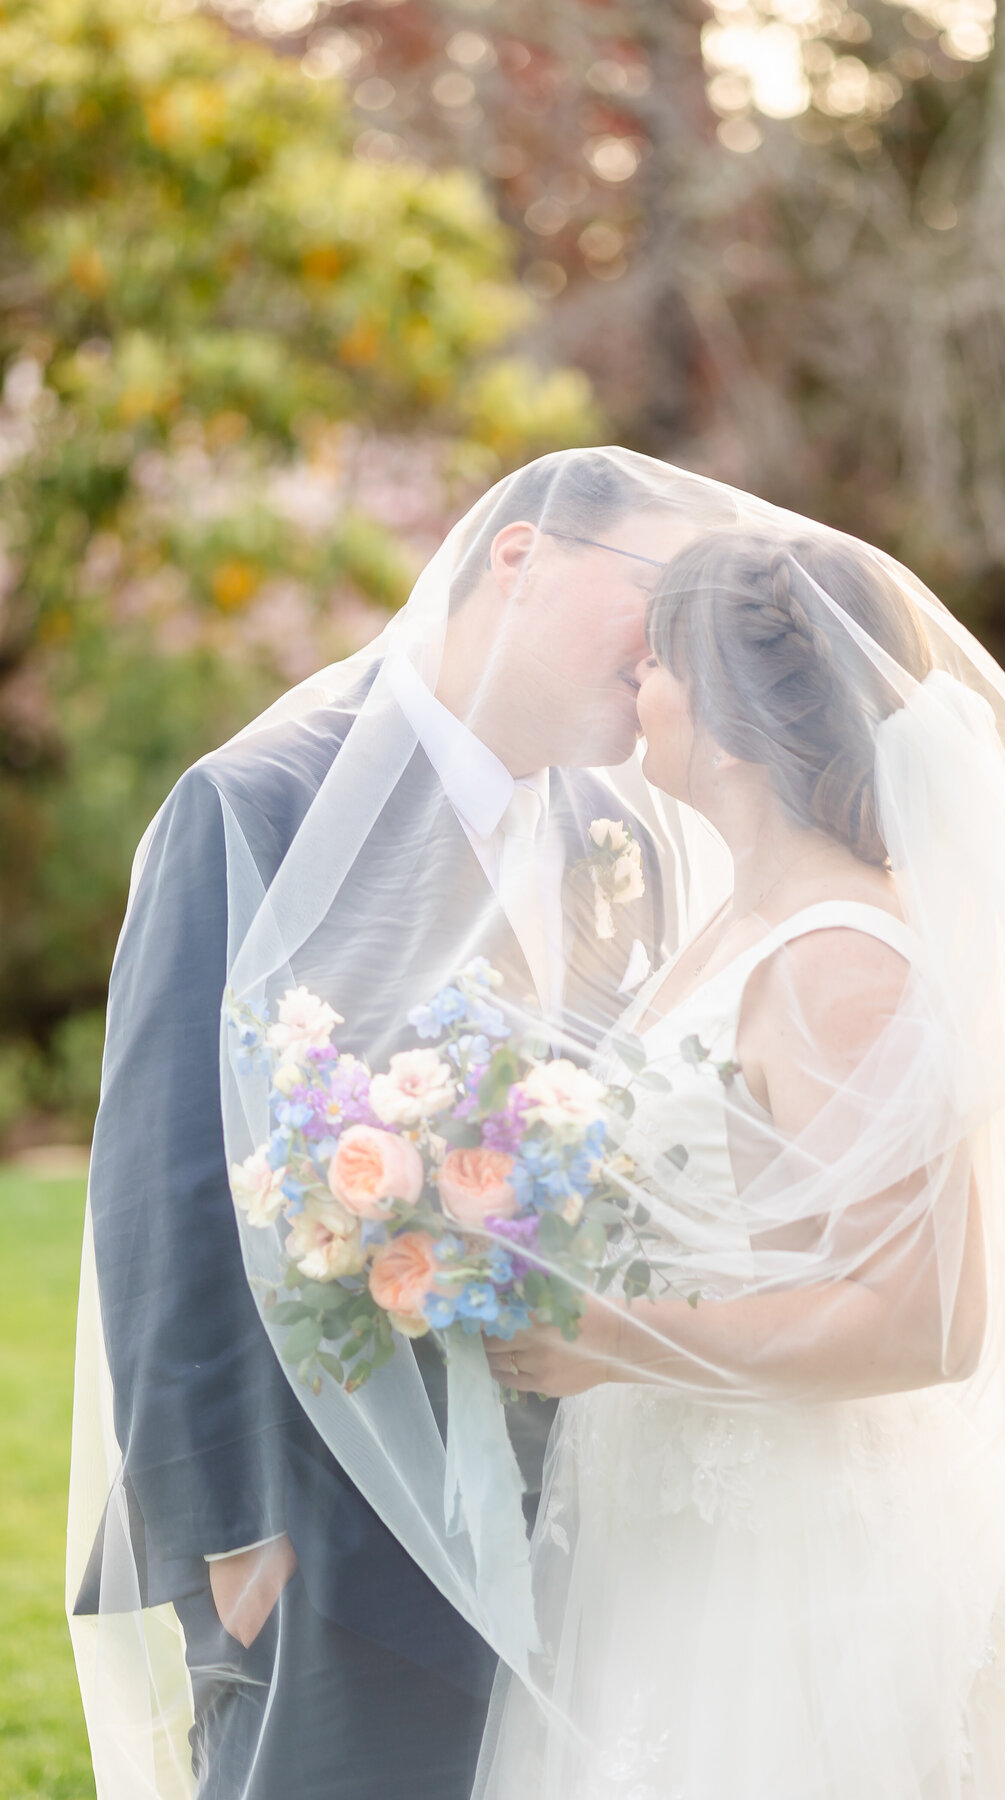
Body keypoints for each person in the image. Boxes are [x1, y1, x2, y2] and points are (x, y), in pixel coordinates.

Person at [473, 523, 1005, 1796]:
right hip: (670, 1524)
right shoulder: (736, 919)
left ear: (741, 724)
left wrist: (608, 1337)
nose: (633, 689)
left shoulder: (843, 958)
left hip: (805, 1555)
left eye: (657, 665)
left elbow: (929, 1324)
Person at [68, 450, 701, 1799]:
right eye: (655, 593)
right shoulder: (260, 804)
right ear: (520, 558)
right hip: (322, 1531)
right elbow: (162, 1192)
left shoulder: (614, 838)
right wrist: (226, 1535)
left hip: (580, 1515)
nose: (669, 646)